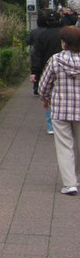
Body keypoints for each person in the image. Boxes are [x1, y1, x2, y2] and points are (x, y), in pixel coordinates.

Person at [38, 25, 80, 195]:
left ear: (64, 43)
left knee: (64, 145)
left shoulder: (55, 60)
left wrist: (46, 98)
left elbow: (43, 86)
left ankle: (69, 183)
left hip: (61, 110)